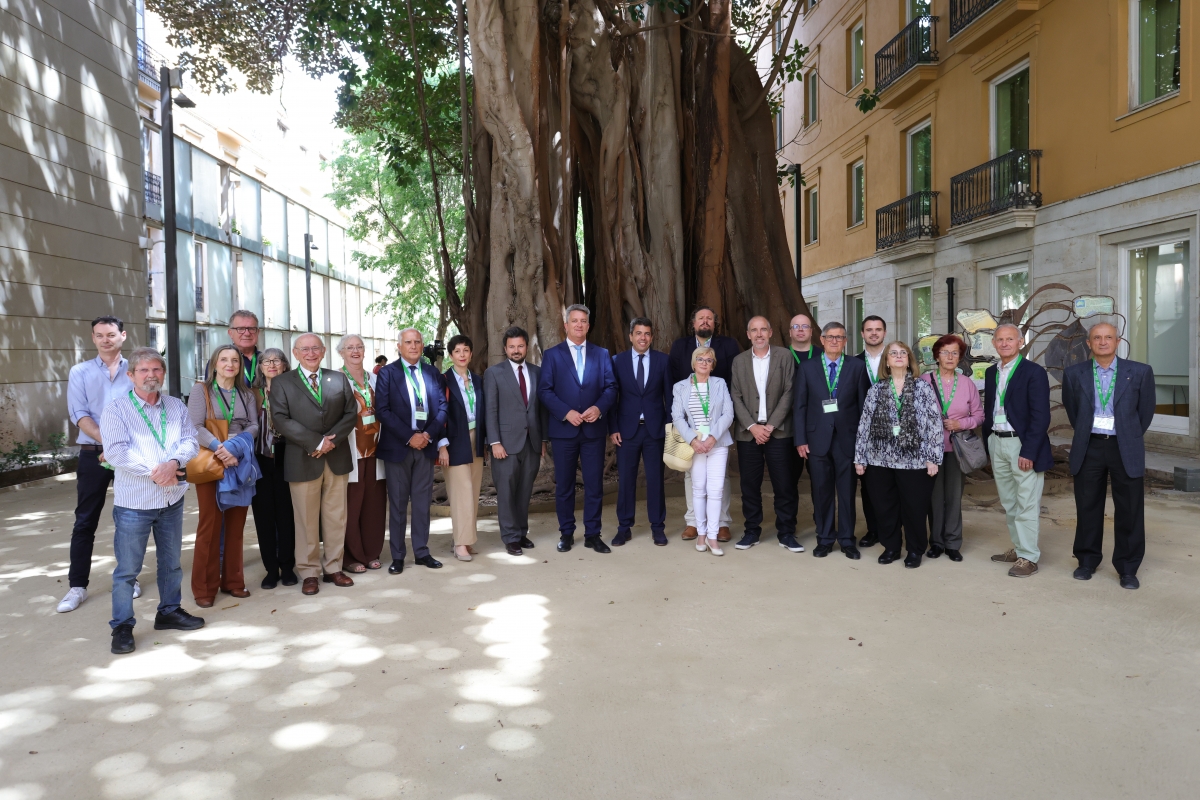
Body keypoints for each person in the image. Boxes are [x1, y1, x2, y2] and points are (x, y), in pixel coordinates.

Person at [100, 348, 203, 654]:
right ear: (131, 375)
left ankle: (169, 611)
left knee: (171, 563)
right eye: (143, 370)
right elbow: (116, 452)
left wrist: (174, 463)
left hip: (171, 499)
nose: (151, 375)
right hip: (135, 503)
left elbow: (190, 440)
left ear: (164, 374)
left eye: (156, 369)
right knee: (127, 570)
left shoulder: (175, 405)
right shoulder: (116, 410)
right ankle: (122, 626)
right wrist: (157, 472)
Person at [1062, 322, 1156, 589]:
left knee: (1130, 509)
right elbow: (1073, 411)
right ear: (1088, 343)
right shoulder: (1074, 373)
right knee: (1087, 506)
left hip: (1124, 446)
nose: (1102, 342)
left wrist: (1127, 433)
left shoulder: (1140, 372)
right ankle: (1087, 561)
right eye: (1097, 338)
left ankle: (1128, 568)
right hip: (1089, 445)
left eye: (1108, 337)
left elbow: (1145, 412)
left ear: (1118, 341)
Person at [269, 333, 359, 595]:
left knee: (336, 516)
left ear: (323, 351)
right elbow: (280, 419)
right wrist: (317, 442)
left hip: (336, 458)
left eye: (315, 348)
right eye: (305, 349)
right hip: (302, 459)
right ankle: (309, 572)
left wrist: (331, 441)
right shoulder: (282, 382)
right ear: (296, 353)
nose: (311, 353)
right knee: (306, 521)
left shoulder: (338, 378)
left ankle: (334, 568)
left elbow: (350, 413)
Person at [60, 316, 136, 613]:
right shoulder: (80, 372)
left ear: (122, 336)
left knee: (130, 518)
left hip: (130, 455)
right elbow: (79, 414)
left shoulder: (137, 369)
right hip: (93, 454)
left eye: (111, 334)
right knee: (85, 520)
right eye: (100, 335)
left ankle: (129, 578)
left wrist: (118, 448)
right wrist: (109, 443)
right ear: (93, 338)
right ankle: (77, 586)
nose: (106, 340)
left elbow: (143, 411)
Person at [854, 342, 943, 568]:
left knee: (914, 508)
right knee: (885, 507)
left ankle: (915, 550)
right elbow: (864, 425)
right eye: (893, 353)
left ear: (909, 359)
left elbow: (934, 423)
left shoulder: (923, 388)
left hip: (915, 461)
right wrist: (860, 458)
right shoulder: (876, 390)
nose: (898, 356)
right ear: (886, 361)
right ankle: (891, 547)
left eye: (903, 353)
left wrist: (933, 457)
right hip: (879, 460)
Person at [539, 304, 618, 554]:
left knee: (594, 485)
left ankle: (593, 534)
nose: (579, 325)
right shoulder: (552, 355)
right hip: (564, 431)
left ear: (588, 325)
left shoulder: (601, 354)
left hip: (594, 431)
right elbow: (545, 390)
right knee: (564, 486)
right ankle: (566, 533)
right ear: (566, 325)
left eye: (583, 321)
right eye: (574, 321)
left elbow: (611, 387)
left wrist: (599, 408)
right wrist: (566, 412)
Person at [188, 345, 260, 607]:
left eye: (235, 360)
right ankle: (204, 588)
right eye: (224, 360)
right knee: (209, 524)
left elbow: (254, 425)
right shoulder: (201, 390)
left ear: (240, 366)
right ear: (214, 364)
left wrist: (235, 448)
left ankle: (233, 581)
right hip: (211, 459)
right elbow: (194, 426)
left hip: (239, 460)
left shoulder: (246, 394)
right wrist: (221, 449)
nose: (230, 364)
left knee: (236, 525)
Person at [794, 322, 870, 559]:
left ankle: (847, 540)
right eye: (830, 337)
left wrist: (862, 443)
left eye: (839, 337)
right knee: (821, 492)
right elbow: (799, 406)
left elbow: (863, 407)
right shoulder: (807, 368)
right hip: (816, 439)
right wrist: (800, 439)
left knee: (847, 493)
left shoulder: (857, 367)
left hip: (847, 439)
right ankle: (825, 539)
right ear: (822, 340)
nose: (835, 341)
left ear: (845, 341)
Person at [377, 328, 448, 574]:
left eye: (418, 342)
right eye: (408, 342)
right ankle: (398, 556)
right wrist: (410, 437)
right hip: (398, 447)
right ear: (399, 346)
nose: (414, 346)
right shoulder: (387, 373)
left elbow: (442, 407)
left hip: (426, 446)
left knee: (421, 503)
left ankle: (421, 552)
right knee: (397, 504)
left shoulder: (432, 372)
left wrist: (427, 435)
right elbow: (383, 410)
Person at [984, 323, 1053, 578]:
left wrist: (1029, 451)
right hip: (997, 441)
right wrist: (989, 442)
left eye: (1010, 339)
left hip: (1022, 444)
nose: (1004, 343)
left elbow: (1041, 416)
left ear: (1020, 342)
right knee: (1009, 501)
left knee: (1026, 502)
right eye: (1000, 339)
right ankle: (1019, 547)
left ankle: (1029, 557)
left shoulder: (1033, 372)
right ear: (994, 343)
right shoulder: (991, 372)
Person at [668, 306, 741, 542]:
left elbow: (734, 380)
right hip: (691, 425)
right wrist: (687, 433)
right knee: (691, 475)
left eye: (709, 318)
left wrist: (718, 429)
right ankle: (693, 521)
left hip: (718, 419)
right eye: (701, 318)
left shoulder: (728, 345)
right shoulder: (680, 346)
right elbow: (673, 381)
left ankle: (722, 523)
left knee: (721, 478)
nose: (705, 321)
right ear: (693, 323)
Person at [730, 316, 800, 552]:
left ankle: (787, 533)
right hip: (748, 433)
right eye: (754, 330)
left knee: (784, 485)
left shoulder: (785, 357)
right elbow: (735, 396)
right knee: (750, 485)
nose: (759, 334)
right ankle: (751, 531)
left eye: (763, 330)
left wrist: (770, 426)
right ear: (748, 334)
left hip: (778, 432)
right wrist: (752, 426)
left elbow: (789, 392)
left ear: (770, 332)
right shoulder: (739, 361)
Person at [485, 327, 547, 556]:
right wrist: (494, 442)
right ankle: (510, 537)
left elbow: (541, 409)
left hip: (532, 442)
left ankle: (521, 532)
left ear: (527, 347)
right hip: (504, 444)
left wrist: (543, 440)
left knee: (524, 491)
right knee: (506, 492)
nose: (516, 350)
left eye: (520, 346)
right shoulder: (494, 373)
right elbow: (490, 410)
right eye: (511, 347)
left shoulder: (537, 372)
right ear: (505, 348)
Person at [921, 334, 983, 562]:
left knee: (954, 496)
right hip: (931, 450)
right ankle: (936, 542)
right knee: (934, 497)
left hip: (958, 449)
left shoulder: (967, 384)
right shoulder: (924, 381)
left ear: (960, 357)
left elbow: (979, 416)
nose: (949, 357)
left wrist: (961, 424)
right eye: (945, 352)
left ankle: (953, 543)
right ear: (936, 356)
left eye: (954, 353)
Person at [609, 318, 670, 547]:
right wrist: (613, 428)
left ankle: (658, 527)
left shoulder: (663, 361)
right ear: (630, 336)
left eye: (646, 334)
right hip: (626, 432)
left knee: (656, 480)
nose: (642, 337)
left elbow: (669, 396)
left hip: (655, 431)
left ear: (651, 337)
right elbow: (612, 397)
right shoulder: (618, 361)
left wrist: (670, 427)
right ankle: (624, 528)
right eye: (638, 333)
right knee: (626, 480)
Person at [671, 347, 735, 555]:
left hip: (717, 444)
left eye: (709, 360)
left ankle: (712, 537)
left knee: (716, 491)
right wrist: (693, 440)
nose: (704, 363)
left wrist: (713, 437)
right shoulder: (680, 387)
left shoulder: (719, 383)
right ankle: (701, 533)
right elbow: (677, 417)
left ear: (713, 365)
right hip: (695, 445)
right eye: (700, 359)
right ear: (693, 362)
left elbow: (728, 414)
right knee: (698, 489)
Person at [339, 334, 387, 574]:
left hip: (376, 450)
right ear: (341, 352)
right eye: (350, 347)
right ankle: (351, 556)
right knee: (351, 505)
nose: (355, 351)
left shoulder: (376, 378)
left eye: (359, 346)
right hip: (350, 451)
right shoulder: (335, 379)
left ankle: (371, 552)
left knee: (374, 505)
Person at [437, 335, 487, 561]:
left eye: (466, 350)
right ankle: (460, 544)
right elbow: (437, 414)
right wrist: (442, 445)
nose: (462, 354)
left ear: (471, 353)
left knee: (473, 492)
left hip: (476, 439)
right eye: (457, 351)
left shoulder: (477, 380)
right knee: (462, 493)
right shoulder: (443, 380)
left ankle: (465, 539)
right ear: (451, 355)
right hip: (454, 441)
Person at [250, 348, 297, 589]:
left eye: (276, 360)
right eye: (266, 361)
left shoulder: (294, 390)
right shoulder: (251, 394)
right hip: (259, 460)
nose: (271, 364)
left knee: (286, 515)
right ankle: (271, 569)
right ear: (260, 367)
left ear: (285, 365)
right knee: (264, 516)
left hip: (287, 457)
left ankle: (287, 566)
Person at [854, 315, 888, 548]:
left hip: (894, 433)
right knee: (868, 485)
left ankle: (892, 531)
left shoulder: (896, 358)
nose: (873, 333)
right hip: (864, 433)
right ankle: (873, 529)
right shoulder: (853, 363)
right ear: (862, 334)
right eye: (869, 329)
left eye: (878, 329)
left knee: (893, 484)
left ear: (884, 332)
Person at [786, 312, 822, 495]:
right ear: (790, 331)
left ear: (811, 331)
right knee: (789, 478)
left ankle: (821, 514)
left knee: (820, 479)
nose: (800, 330)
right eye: (796, 326)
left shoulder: (822, 355)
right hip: (789, 424)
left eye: (805, 326)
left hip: (819, 424)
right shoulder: (781, 356)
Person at [227, 310, 263, 385]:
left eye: (251, 329)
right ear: (230, 333)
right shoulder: (219, 362)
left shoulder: (267, 360)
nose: (247, 333)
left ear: (258, 332)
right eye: (240, 329)